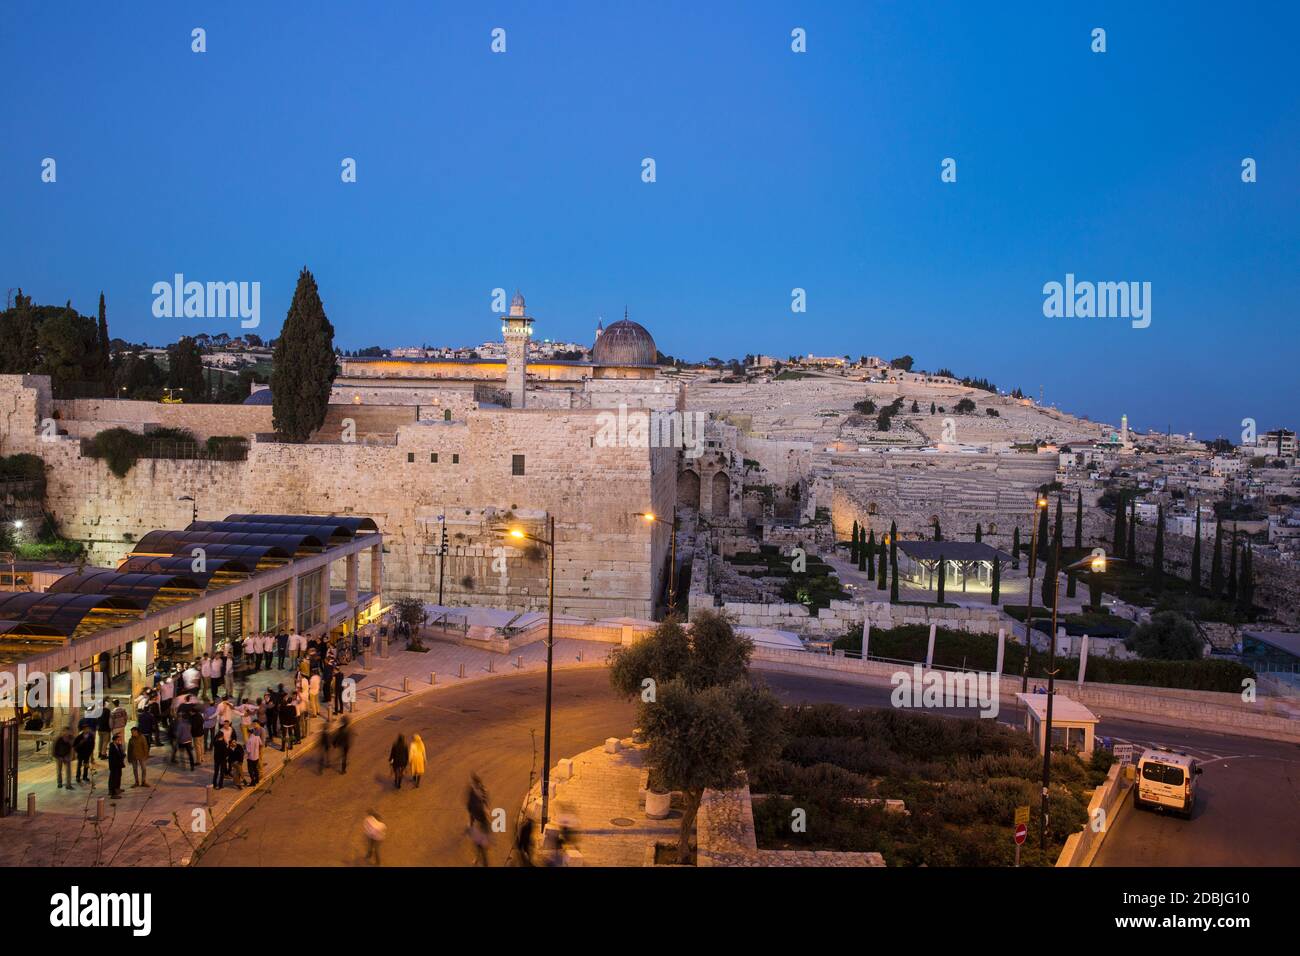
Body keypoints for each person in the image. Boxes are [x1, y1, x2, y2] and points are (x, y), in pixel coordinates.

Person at [466, 774, 491, 866]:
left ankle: (481, 861)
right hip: (484, 818)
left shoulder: (473, 791)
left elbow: (470, 804)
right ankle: (479, 859)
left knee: (479, 844)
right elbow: (486, 801)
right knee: (480, 844)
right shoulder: (483, 789)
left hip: (479, 817)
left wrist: (470, 809)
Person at [107, 732, 126, 799]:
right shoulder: (112, 747)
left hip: (118, 765)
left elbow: (121, 754)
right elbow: (116, 756)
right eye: (118, 739)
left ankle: (117, 788)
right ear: (114, 740)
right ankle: (112, 792)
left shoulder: (118, 746)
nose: (119, 740)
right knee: (113, 779)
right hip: (114, 766)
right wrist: (122, 755)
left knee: (118, 776)